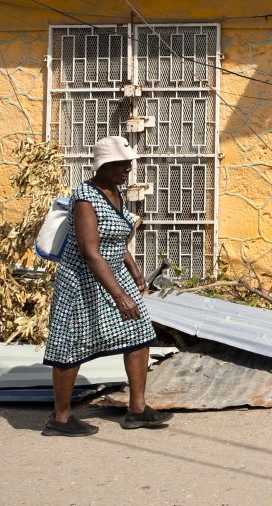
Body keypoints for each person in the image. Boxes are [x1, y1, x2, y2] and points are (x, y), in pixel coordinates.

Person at [41, 136, 173, 436]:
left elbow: (115, 238)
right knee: (71, 344)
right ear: (103, 165)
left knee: (139, 333)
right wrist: (119, 296)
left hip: (114, 273)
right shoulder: (86, 198)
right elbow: (90, 251)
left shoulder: (115, 192)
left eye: (129, 164)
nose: (127, 169)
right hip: (81, 279)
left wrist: (134, 269)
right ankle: (60, 419)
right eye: (121, 164)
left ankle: (137, 409)